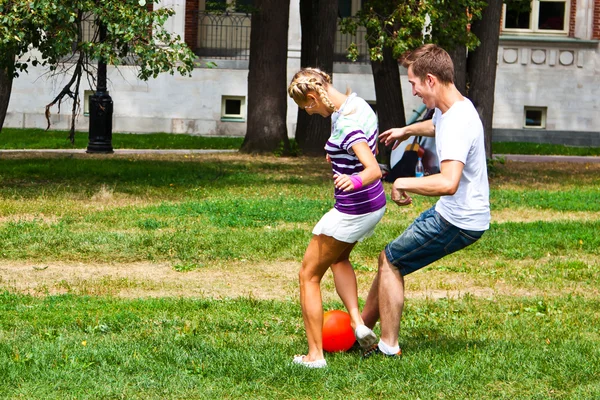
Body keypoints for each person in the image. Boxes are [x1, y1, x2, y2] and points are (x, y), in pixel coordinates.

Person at [360, 44, 491, 358]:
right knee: (389, 259)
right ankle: (360, 329)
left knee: (391, 261)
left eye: (414, 84)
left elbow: (448, 182)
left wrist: (404, 181)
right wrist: (407, 130)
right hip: (453, 214)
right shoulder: (455, 108)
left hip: (457, 221)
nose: (414, 91)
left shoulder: (458, 120)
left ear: (430, 80)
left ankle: (388, 347)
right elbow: (436, 126)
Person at [287, 68, 387, 368]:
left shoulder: (346, 124)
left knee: (308, 275)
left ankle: (315, 356)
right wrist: (338, 154)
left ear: (314, 95)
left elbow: (373, 168)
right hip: (373, 206)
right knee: (338, 259)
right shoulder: (357, 105)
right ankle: (357, 323)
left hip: (353, 208)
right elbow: (368, 144)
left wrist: (353, 180)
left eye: (307, 106)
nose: (309, 112)